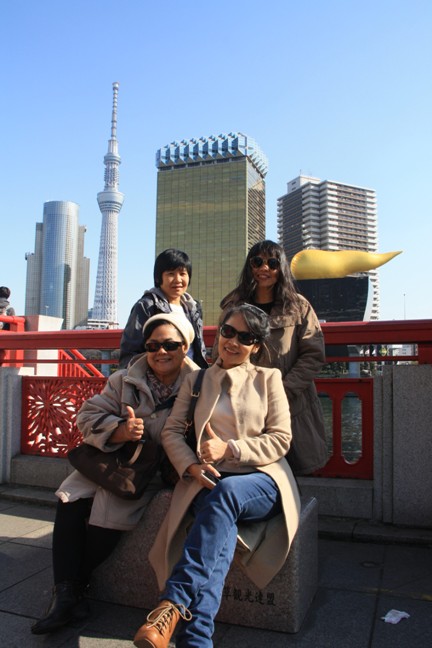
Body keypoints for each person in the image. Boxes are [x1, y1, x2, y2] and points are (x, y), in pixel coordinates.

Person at [133, 304, 301, 648]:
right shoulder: (196, 380)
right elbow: (172, 432)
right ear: (219, 333)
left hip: (262, 479)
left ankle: (173, 602)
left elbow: (281, 439)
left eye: (245, 337)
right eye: (228, 331)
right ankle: (196, 640)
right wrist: (190, 467)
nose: (233, 341)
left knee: (226, 495)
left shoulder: (268, 379)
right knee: (219, 540)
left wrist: (231, 449)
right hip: (208, 479)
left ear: (257, 345)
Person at [31, 312, 199, 635]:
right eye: (152, 346)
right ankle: (66, 596)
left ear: (185, 346)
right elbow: (86, 414)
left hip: (150, 471)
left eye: (170, 345)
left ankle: (69, 595)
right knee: (69, 499)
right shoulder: (124, 379)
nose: (161, 352)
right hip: (114, 458)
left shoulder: (198, 385)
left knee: (108, 518)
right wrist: (120, 430)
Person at [218, 240, 327, 476]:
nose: (264, 268)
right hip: (243, 400)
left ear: (282, 268)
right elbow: (222, 350)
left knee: (290, 470)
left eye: (273, 263)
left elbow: (313, 355)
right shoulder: (233, 306)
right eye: (257, 262)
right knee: (246, 466)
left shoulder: (298, 307)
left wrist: (282, 391)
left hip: (290, 401)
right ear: (249, 266)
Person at [119, 249, 208, 369]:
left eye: (182, 274)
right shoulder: (147, 306)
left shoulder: (193, 307)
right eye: (171, 274)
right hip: (160, 376)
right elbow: (130, 351)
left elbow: (198, 348)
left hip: (191, 375)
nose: (178, 280)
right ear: (158, 278)